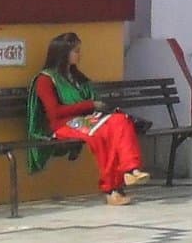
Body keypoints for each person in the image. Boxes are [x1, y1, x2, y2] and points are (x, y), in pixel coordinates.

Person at [28, 33, 149, 206]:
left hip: (86, 119)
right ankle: (111, 189)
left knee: (120, 121)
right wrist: (89, 105)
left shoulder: (76, 77)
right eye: (76, 51)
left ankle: (131, 169)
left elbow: (90, 100)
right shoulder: (45, 80)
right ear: (63, 53)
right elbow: (54, 112)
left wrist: (94, 108)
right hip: (63, 125)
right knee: (100, 134)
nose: (79, 54)